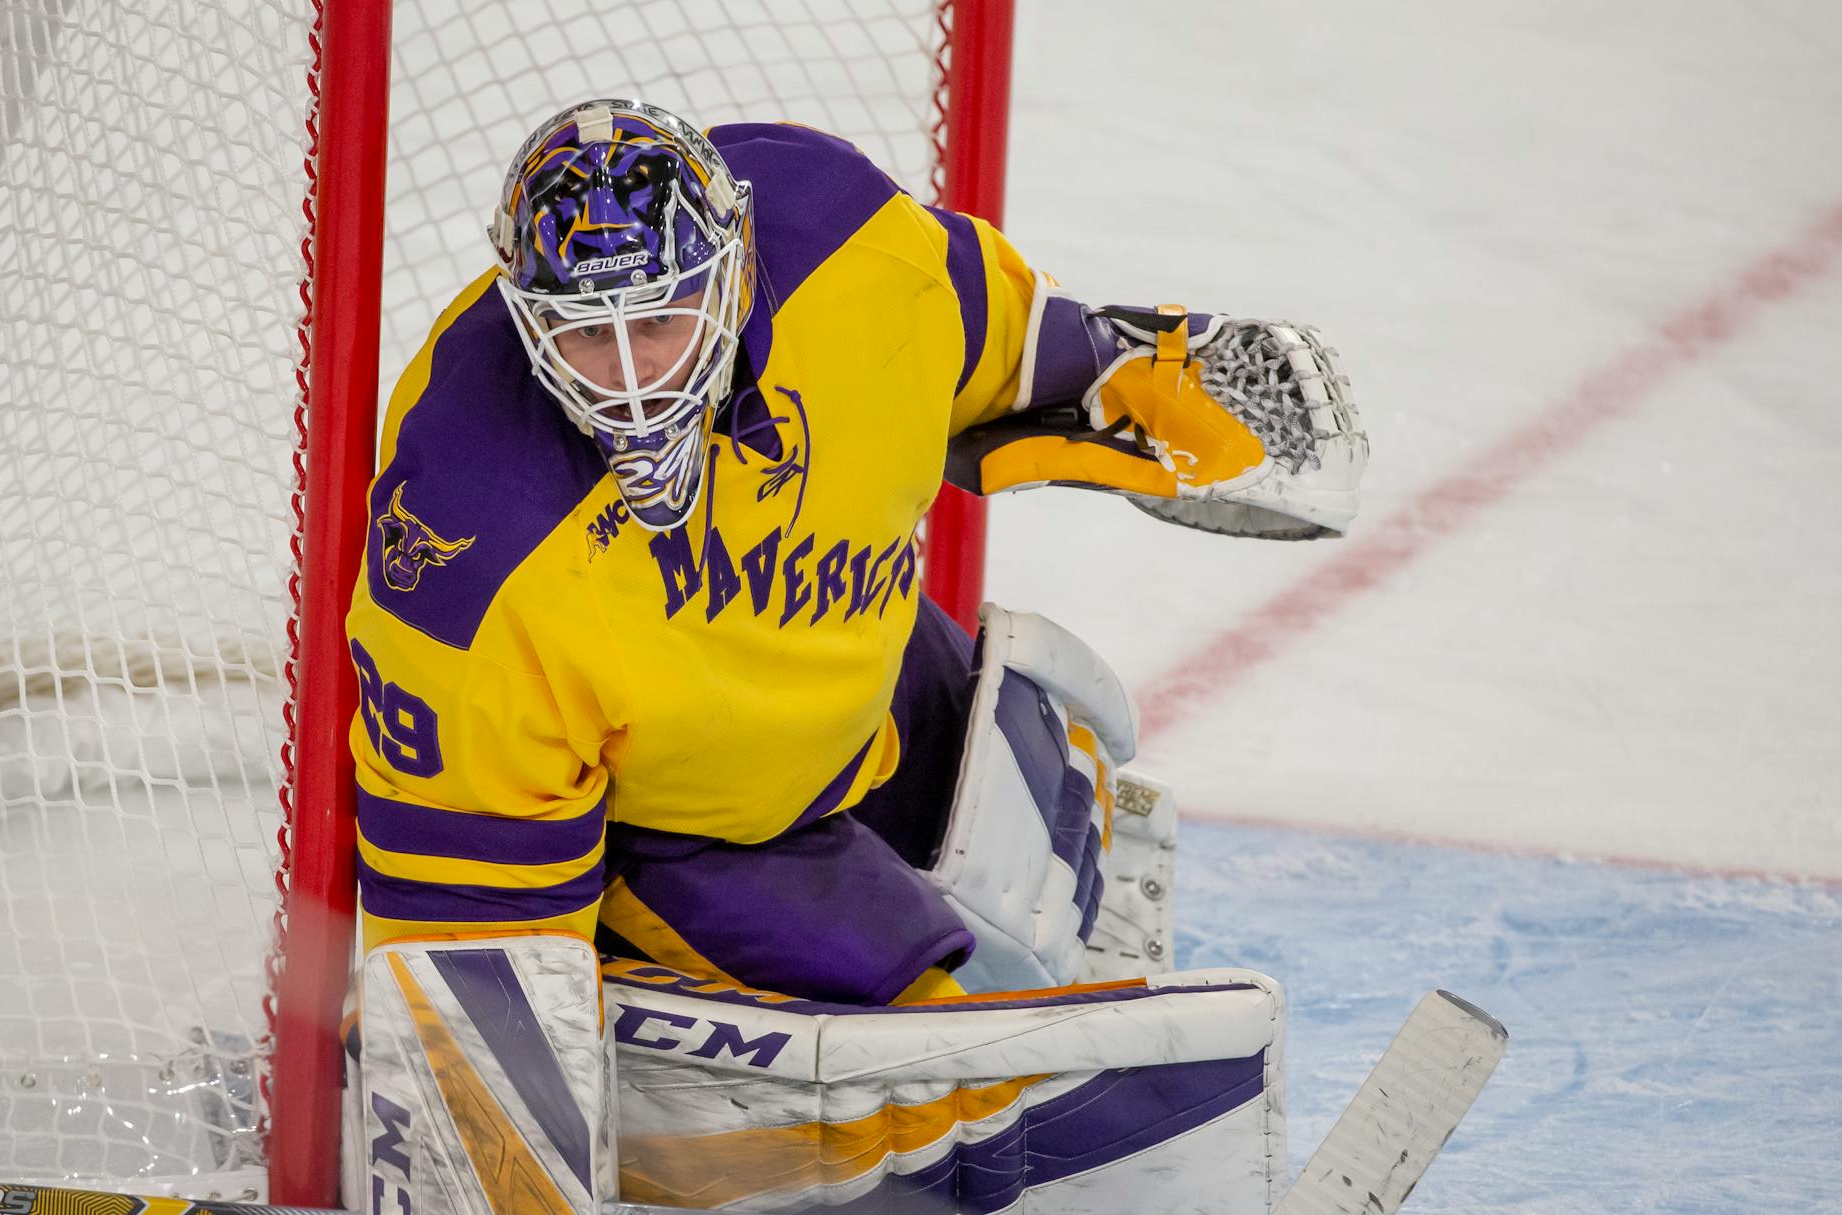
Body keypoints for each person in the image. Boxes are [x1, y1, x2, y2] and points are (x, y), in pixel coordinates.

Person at [346, 98, 1363, 1008]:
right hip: (677, 846)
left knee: (1065, 807)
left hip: (848, 700)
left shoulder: (849, 245)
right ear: (530, 324)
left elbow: (995, 341)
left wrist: (1122, 368)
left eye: (659, 319)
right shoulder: (466, 544)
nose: (628, 379)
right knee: (947, 1071)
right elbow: (468, 957)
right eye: (584, 334)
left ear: (738, 264)